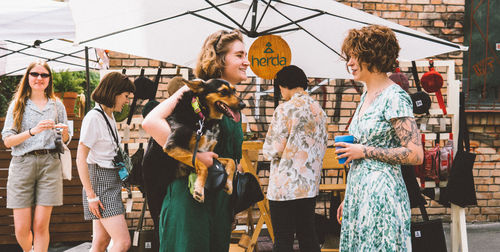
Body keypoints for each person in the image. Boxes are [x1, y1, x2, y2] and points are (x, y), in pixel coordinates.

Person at [142, 28, 249, 252]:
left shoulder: (231, 101)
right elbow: (151, 122)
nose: (246, 62)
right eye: (239, 55)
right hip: (189, 201)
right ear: (220, 59)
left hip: (218, 203)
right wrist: (195, 157)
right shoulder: (197, 90)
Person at [335, 25, 424, 251]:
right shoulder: (367, 94)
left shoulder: (394, 97)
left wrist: (364, 151)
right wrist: (350, 196)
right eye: (349, 56)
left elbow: (415, 154)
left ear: (373, 57)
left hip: (382, 196)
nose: (350, 62)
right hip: (360, 192)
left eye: (356, 56)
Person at [1, 60, 70, 252]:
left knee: (41, 225)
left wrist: (64, 132)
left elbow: (66, 138)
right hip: (23, 163)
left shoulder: (58, 105)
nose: (39, 78)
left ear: (49, 79)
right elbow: (7, 140)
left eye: (44, 75)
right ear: (28, 77)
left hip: (50, 164)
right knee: (21, 229)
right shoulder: (18, 105)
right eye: (35, 74)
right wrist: (33, 131)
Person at [262, 65, 328, 252]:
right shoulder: (319, 111)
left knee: (283, 239)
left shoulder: (285, 109)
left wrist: (268, 150)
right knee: (308, 235)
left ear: (283, 85)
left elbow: (273, 149)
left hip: (285, 186)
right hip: (309, 184)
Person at [76, 72, 135, 252]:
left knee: (100, 243)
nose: (127, 101)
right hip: (100, 186)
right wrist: (91, 195)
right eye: (125, 96)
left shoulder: (107, 116)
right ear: (114, 93)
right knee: (123, 242)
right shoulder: (94, 118)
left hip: (109, 182)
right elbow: (80, 158)